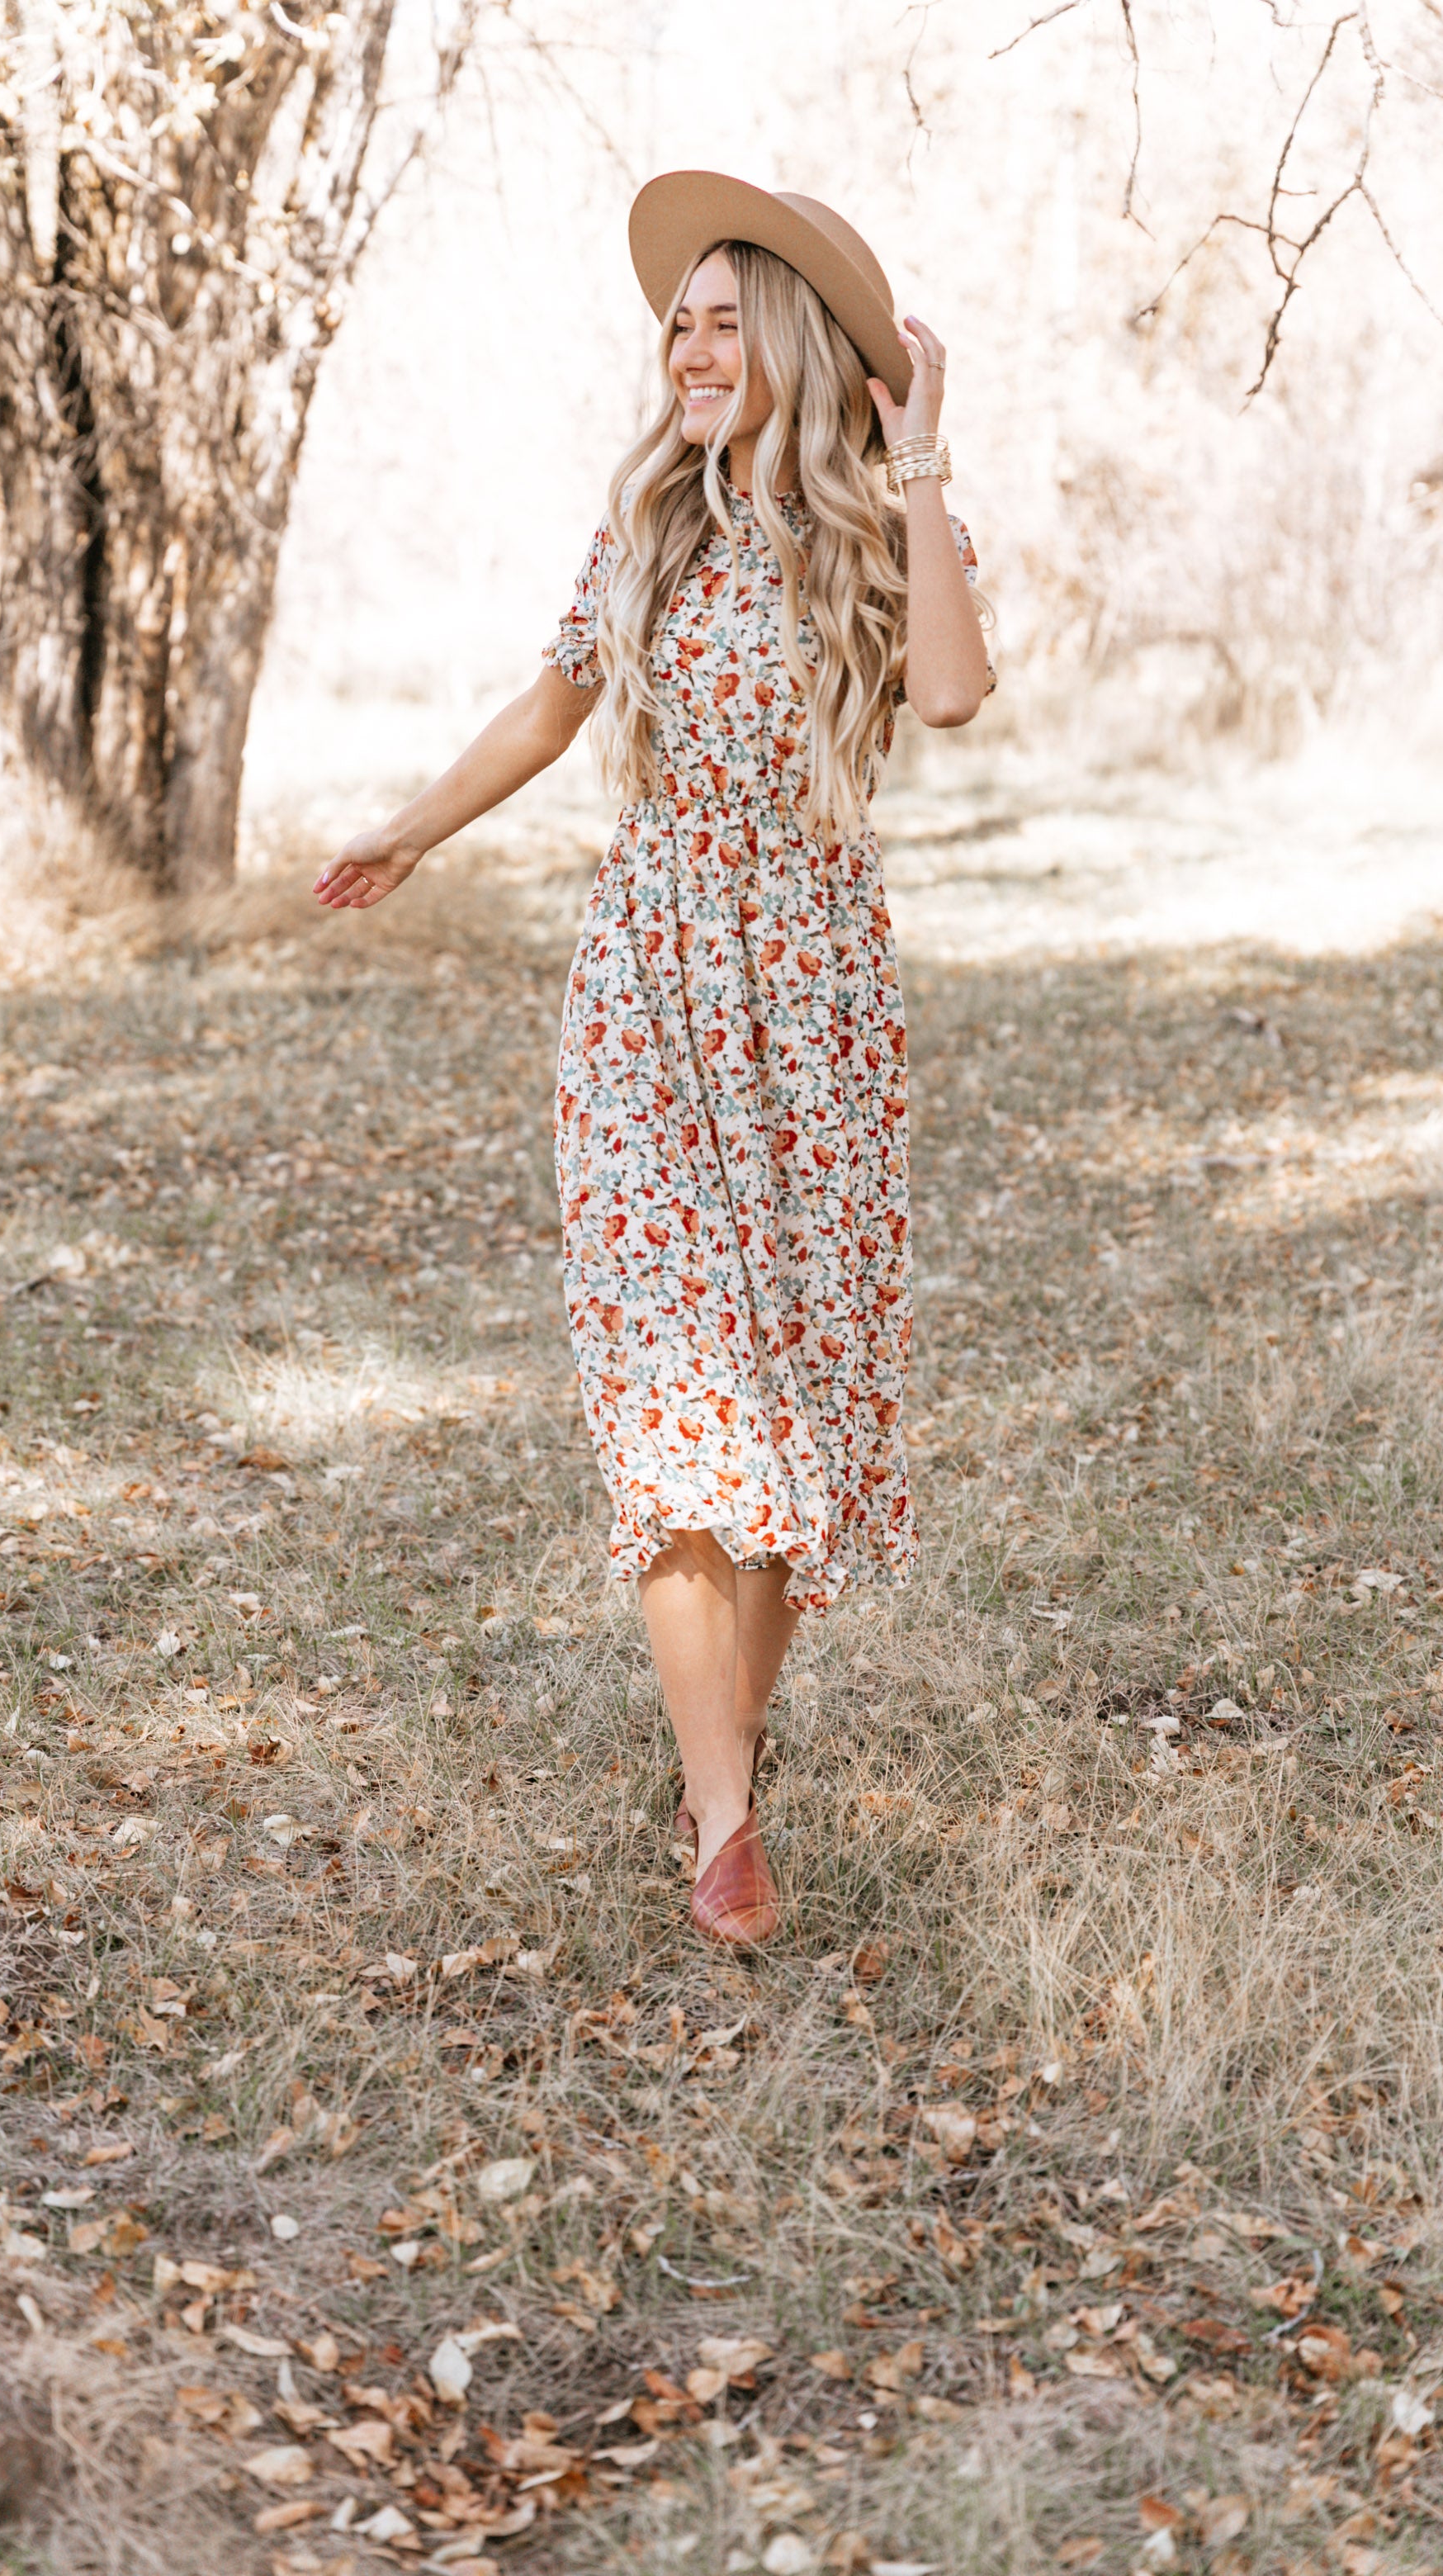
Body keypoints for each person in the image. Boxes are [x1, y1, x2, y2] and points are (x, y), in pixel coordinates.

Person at [315, 173, 992, 1948]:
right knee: (672, 1395)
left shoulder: (871, 526)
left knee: (790, 1402)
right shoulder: (648, 532)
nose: (683, 346)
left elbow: (945, 695)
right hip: (642, 986)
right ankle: (718, 1813)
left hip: (814, 997)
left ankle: (728, 1757)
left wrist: (918, 450)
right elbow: (551, 706)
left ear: (778, 338)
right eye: (671, 322)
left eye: (714, 318)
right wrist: (409, 831)